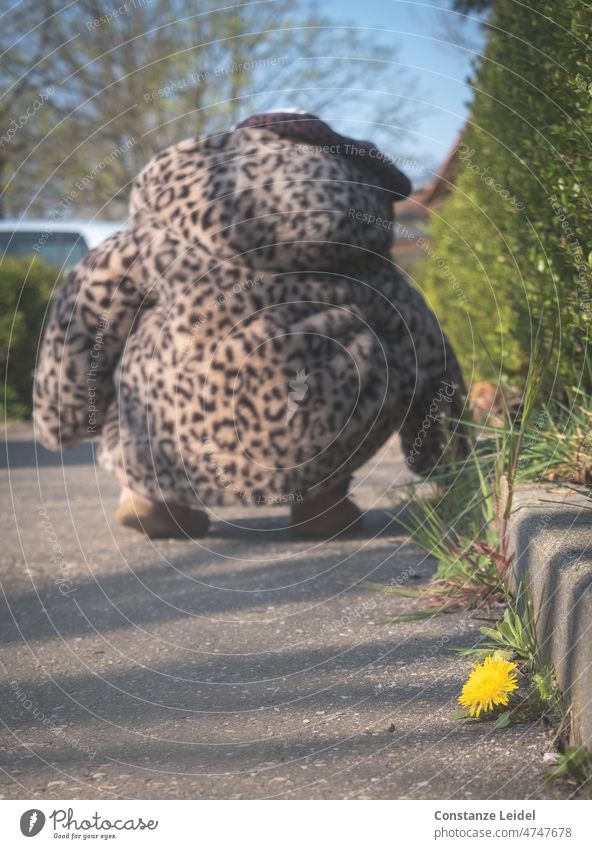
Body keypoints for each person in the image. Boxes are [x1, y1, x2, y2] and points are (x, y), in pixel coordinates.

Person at [34, 111, 465, 539]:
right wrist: (446, 454)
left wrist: (65, 416)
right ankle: (321, 497)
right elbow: (425, 344)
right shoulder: (363, 240)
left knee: (140, 331)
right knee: (373, 345)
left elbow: (84, 319)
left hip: (177, 426)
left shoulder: (175, 209)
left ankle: (149, 494)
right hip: (321, 433)